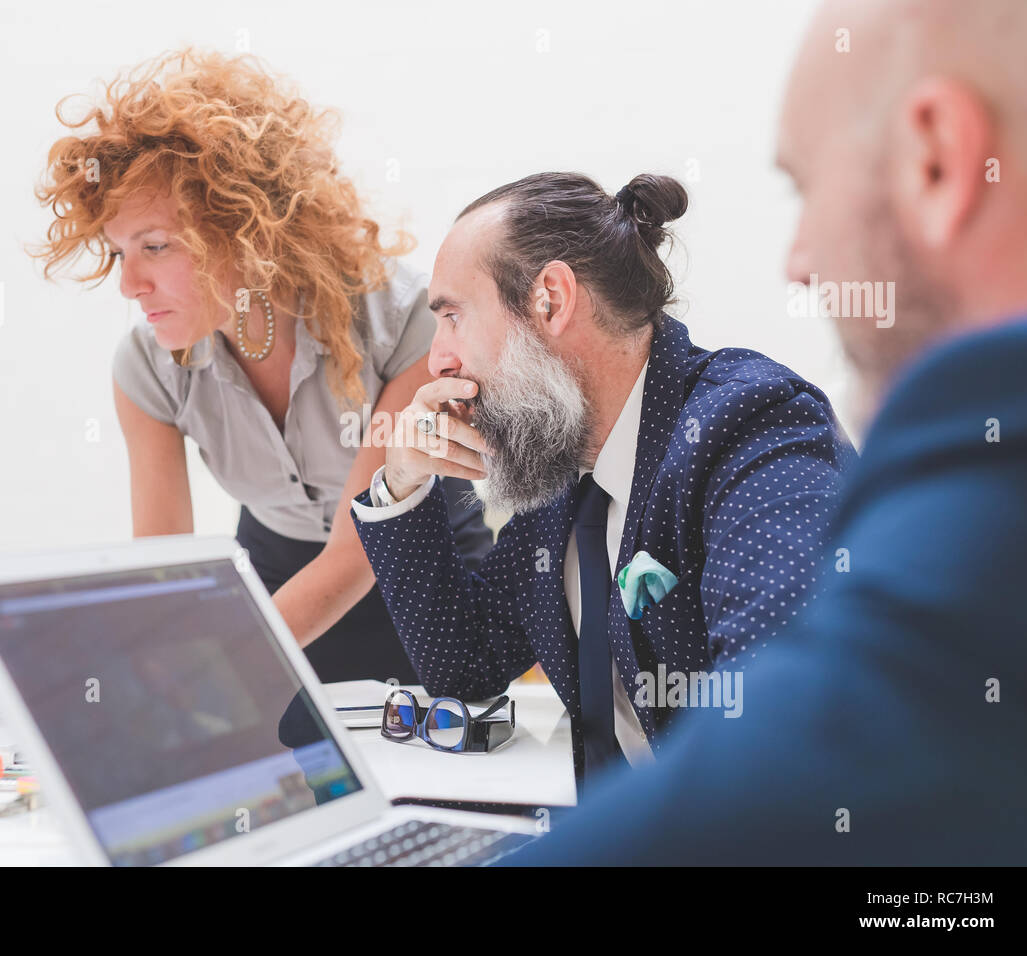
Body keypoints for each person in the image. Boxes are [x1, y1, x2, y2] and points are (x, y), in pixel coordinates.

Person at [505, 0, 1027, 864]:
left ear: (938, 160)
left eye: (806, 188)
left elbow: (802, 752)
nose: (797, 258)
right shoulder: (552, 483)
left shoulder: (968, 490)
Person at [349, 170, 856, 781]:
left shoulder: (749, 424)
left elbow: (784, 709)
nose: (437, 360)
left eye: (453, 316)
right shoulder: (562, 479)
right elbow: (467, 664)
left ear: (551, 300)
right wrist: (399, 481)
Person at [30, 48, 492, 684]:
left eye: (155, 247)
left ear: (243, 228)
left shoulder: (404, 319)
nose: (129, 285)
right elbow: (163, 566)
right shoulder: (145, 369)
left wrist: (223, 659)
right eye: (118, 255)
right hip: (278, 582)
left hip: (421, 578)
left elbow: (355, 551)